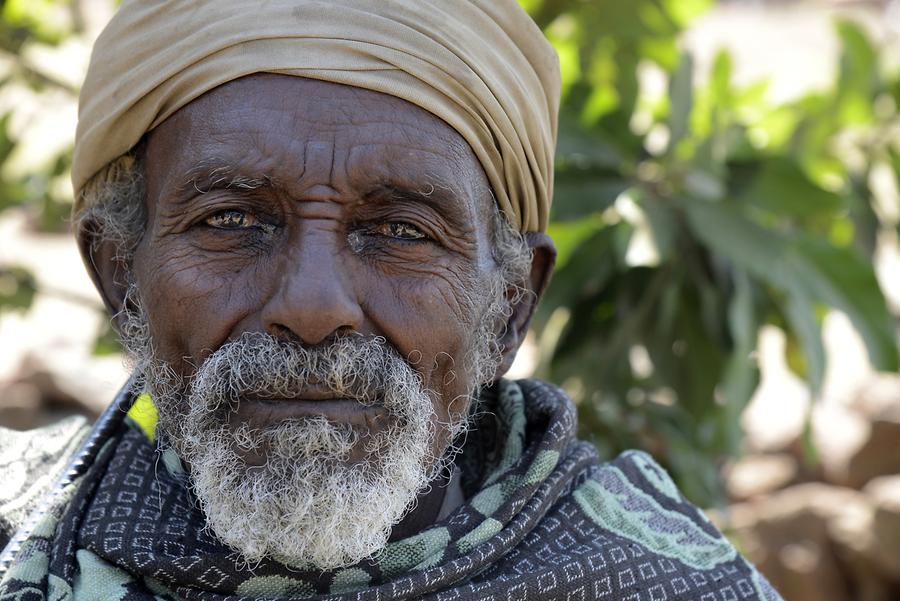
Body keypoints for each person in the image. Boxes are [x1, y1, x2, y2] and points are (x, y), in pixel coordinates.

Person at [0, 1, 784, 599]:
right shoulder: (19, 528)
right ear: (118, 275)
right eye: (231, 219)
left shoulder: (655, 584)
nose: (311, 307)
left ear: (509, 307)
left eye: (400, 230)